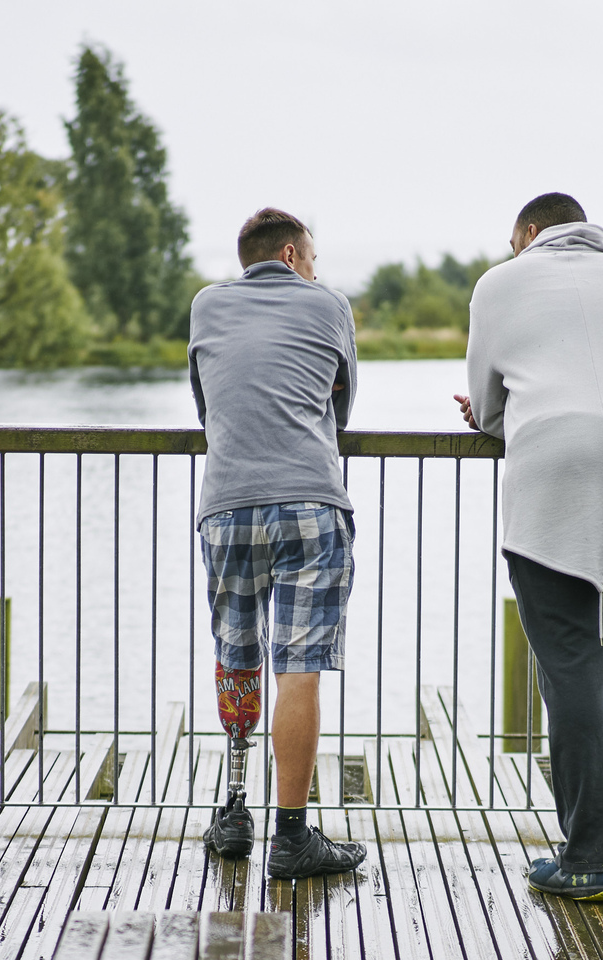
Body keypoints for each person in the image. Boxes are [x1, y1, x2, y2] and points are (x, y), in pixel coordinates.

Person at [454, 192, 603, 902]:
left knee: (572, 667)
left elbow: (488, 406)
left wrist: (494, 415)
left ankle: (587, 856)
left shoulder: (501, 281)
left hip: (554, 469)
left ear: (526, 234)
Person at [189, 207, 368, 880]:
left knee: (237, 654)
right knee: (299, 665)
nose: (316, 272)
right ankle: (291, 838)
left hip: (228, 504)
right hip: (309, 503)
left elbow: (207, 409)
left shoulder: (207, 306)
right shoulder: (329, 306)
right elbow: (341, 406)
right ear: (293, 254)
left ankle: (234, 813)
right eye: (313, 260)